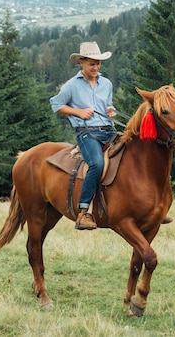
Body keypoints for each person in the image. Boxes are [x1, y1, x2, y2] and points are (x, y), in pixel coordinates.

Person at [50, 41, 116, 230]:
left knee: (131, 152)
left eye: (98, 63)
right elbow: (56, 105)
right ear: (81, 63)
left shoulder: (107, 83)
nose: (95, 67)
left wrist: (110, 110)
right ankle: (84, 211)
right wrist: (78, 112)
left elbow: (108, 105)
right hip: (87, 133)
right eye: (91, 64)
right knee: (96, 164)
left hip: (108, 130)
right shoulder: (71, 85)